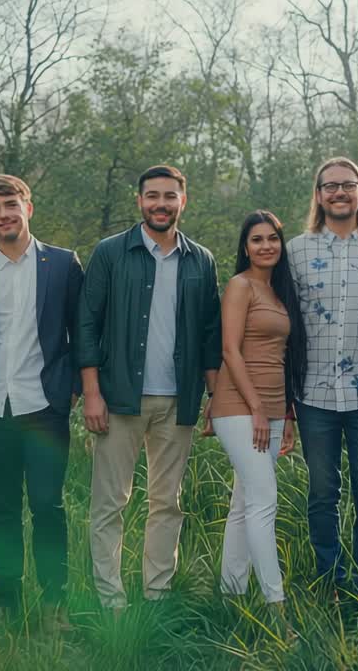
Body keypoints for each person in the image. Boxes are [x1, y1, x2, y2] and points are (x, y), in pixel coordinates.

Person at [77, 164, 222, 612]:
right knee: (109, 504)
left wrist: (214, 398)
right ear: (139, 201)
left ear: (184, 200)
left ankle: (157, 595)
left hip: (177, 400)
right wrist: (92, 393)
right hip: (119, 397)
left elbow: (211, 333)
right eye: (153, 195)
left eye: (170, 196)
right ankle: (110, 600)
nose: (161, 203)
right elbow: (86, 322)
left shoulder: (201, 259)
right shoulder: (110, 252)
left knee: (167, 503)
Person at [0, 174, 84, 629]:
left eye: (11, 203)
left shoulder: (64, 264)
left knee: (47, 507)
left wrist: (75, 388)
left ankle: (55, 604)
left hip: (44, 407)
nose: (3, 213)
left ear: (28, 206)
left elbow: (80, 332)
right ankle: (5, 601)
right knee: (2, 509)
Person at [286, 157, 358, 603]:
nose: (339, 193)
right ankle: (330, 580)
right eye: (330, 186)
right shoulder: (295, 250)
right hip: (313, 393)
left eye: (348, 186)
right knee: (322, 494)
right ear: (318, 195)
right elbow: (283, 322)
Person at [208, 210, 306, 635]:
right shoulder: (240, 286)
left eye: (272, 239)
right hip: (237, 406)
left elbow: (281, 360)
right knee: (264, 500)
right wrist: (256, 409)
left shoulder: (280, 291)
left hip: (270, 407)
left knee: (244, 504)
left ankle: (231, 594)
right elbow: (231, 351)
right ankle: (277, 608)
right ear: (244, 247)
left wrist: (285, 415)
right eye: (256, 240)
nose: (265, 246)